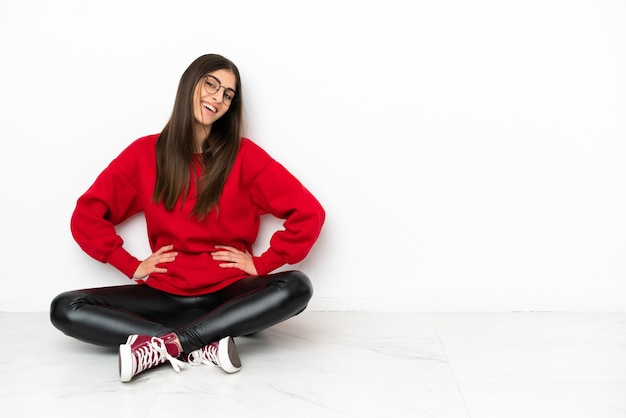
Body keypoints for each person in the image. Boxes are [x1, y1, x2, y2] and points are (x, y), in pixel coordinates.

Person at [50, 53, 325, 383]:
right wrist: (130, 264)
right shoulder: (143, 154)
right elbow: (87, 215)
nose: (218, 98)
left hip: (231, 295)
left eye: (228, 95)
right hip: (164, 294)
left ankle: (168, 344)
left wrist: (264, 263)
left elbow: (309, 213)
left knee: (296, 287)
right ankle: (204, 345)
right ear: (189, 84)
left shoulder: (245, 156)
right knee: (66, 307)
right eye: (211, 84)